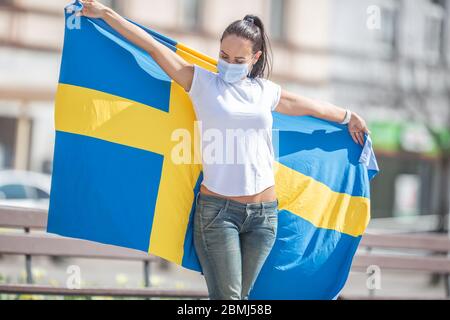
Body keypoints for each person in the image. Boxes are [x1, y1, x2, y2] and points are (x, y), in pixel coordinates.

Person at [78, 0, 370, 300]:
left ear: (255, 58)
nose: (228, 64)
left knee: (238, 302)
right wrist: (106, 13)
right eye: (223, 55)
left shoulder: (264, 92)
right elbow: (153, 47)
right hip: (219, 215)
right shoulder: (201, 83)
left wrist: (348, 117)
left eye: (238, 59)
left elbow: (307, 105)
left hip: (264, 217)